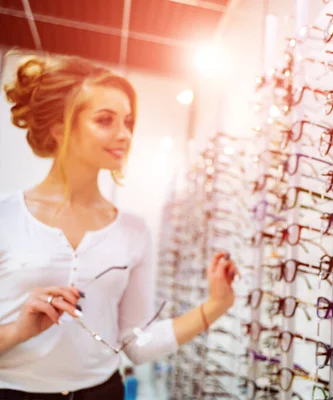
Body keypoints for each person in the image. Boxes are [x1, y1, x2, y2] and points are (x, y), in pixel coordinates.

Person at [0, 54, 238, 399]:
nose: (124, 134)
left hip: (102, 392)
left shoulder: (134, 231)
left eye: (128, 122)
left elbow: (136, 343)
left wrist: (215, 305)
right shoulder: (6, 216)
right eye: (105, 120)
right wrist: (19, 331)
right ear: (60, 127)